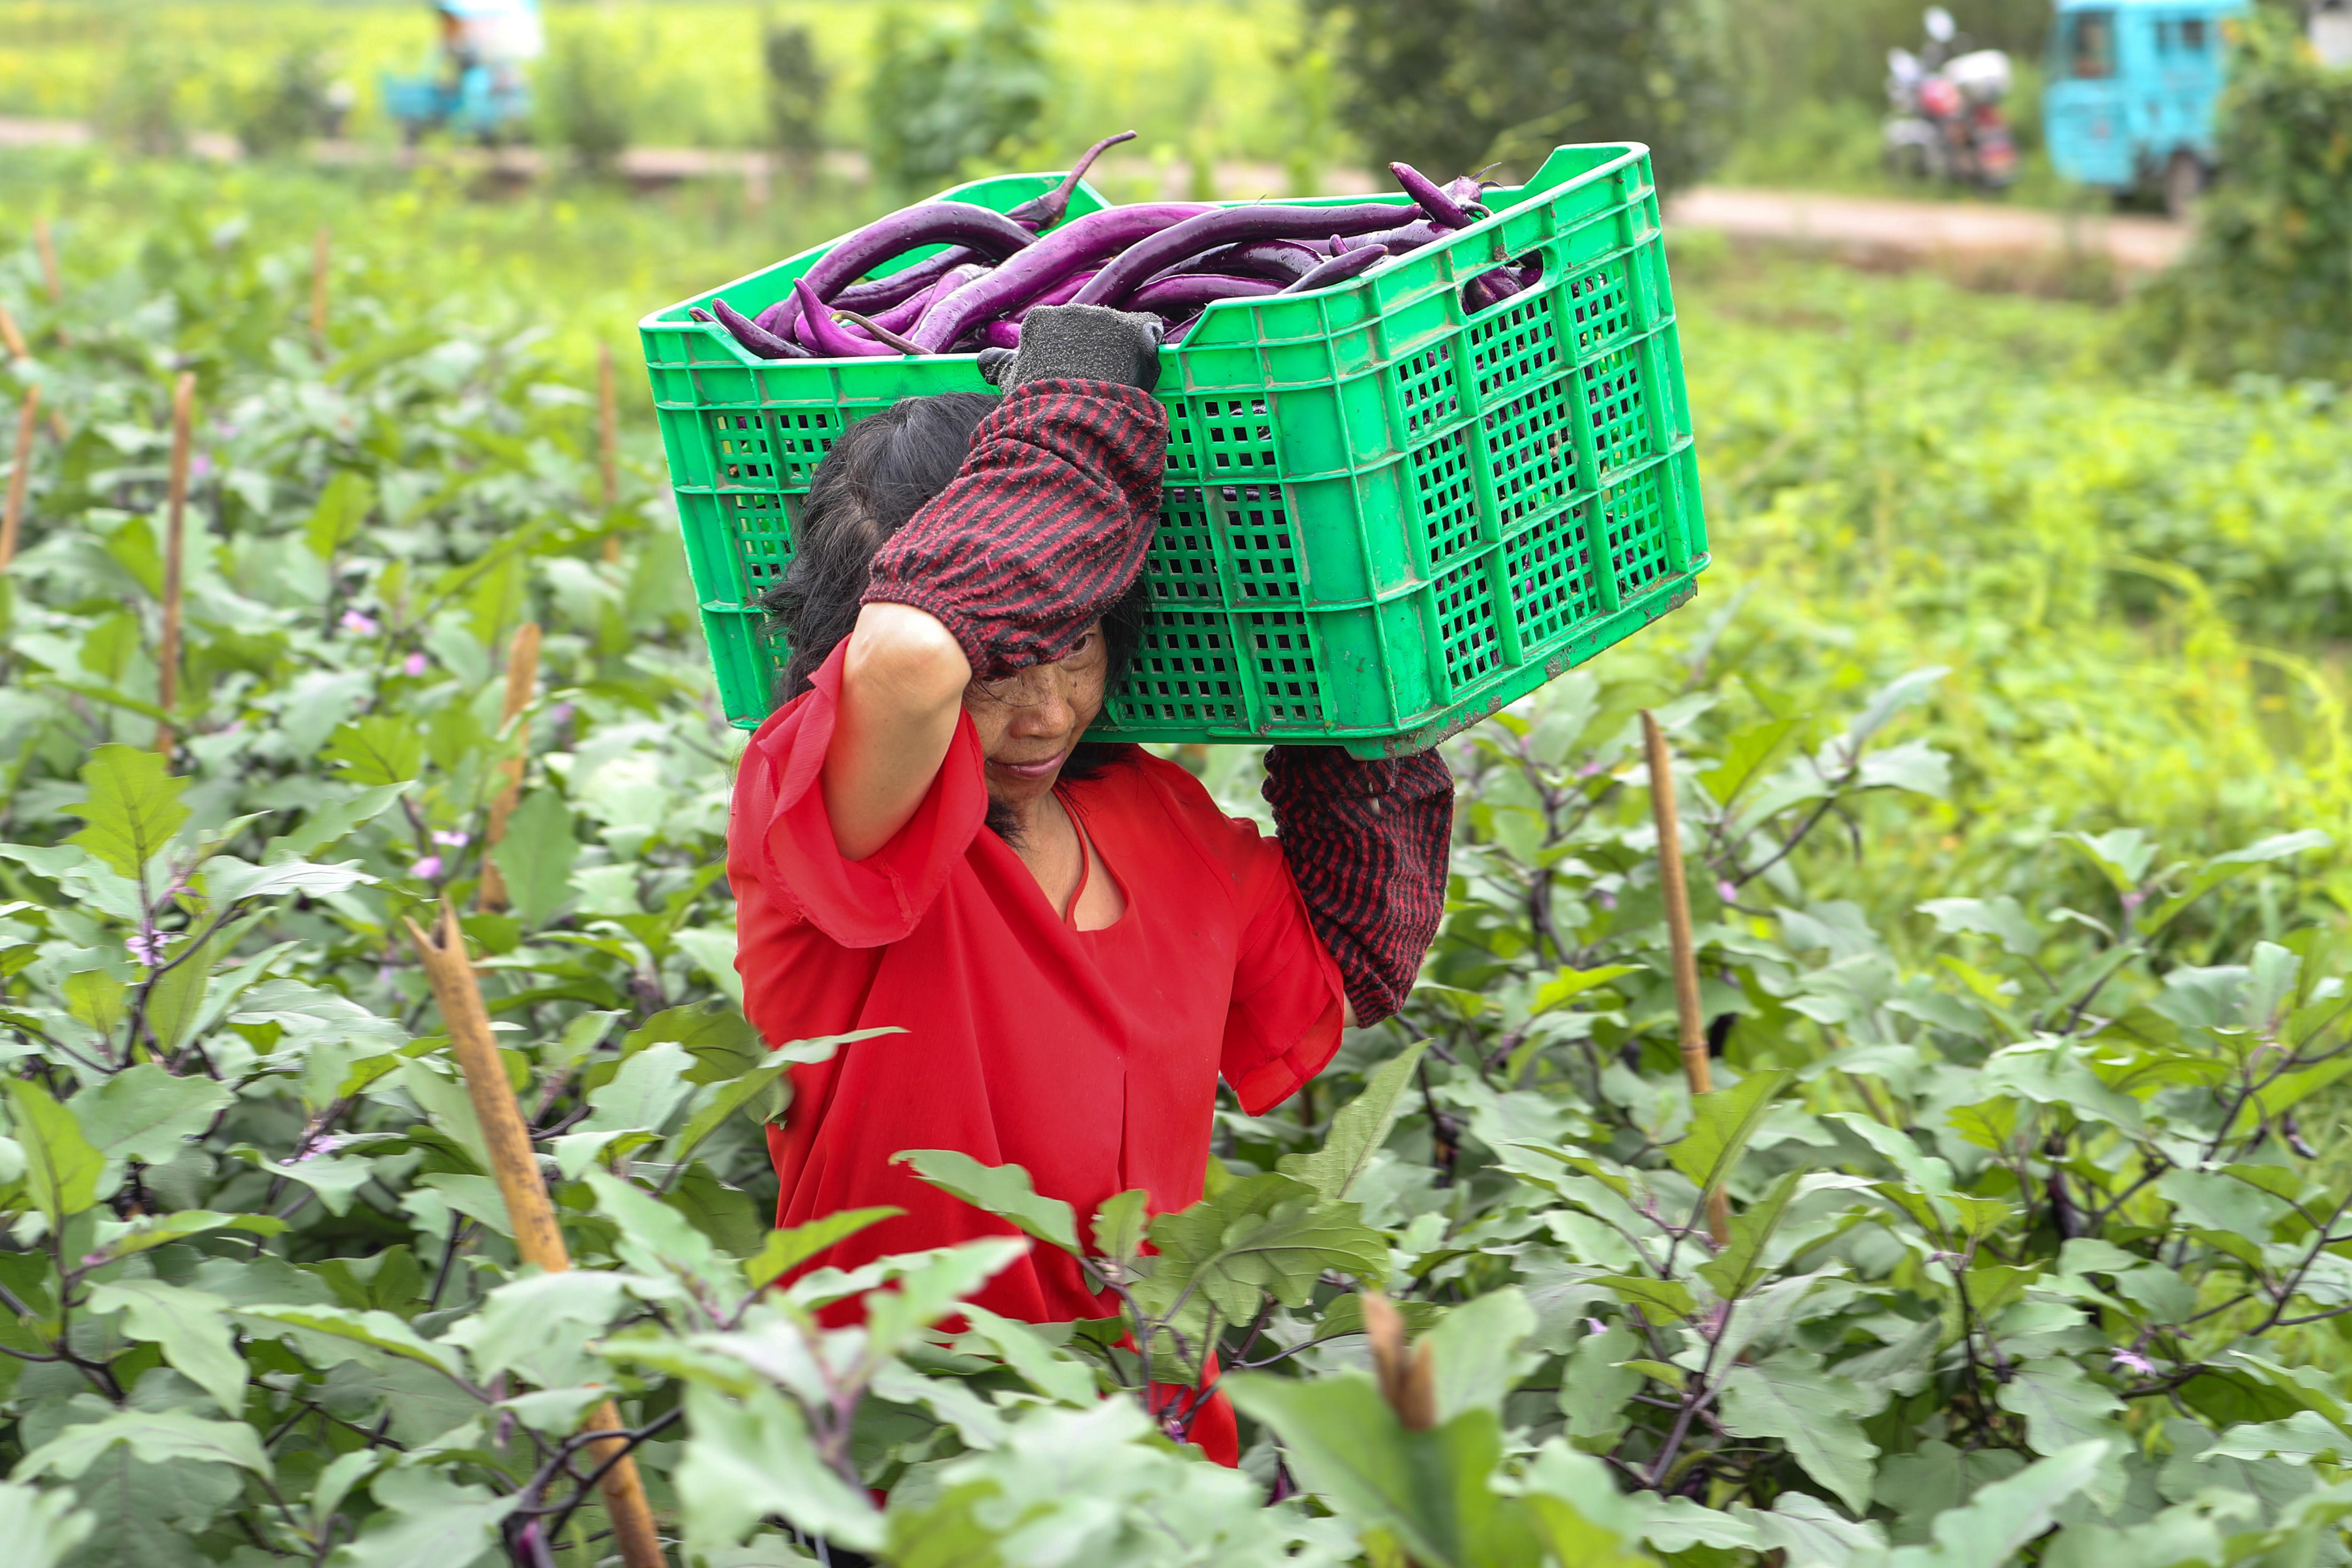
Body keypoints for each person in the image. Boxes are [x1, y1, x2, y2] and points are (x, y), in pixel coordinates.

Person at [726, 304, 1454, 1465]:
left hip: (1155, 1448)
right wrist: (1083, 389)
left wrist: (1368, 697)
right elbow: (912, 658)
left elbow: (1349, 970)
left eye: (1074, 648)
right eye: (999, 671)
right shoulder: (828, 814)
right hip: (910, 1447)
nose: (1048, 712)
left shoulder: (1158, 820)